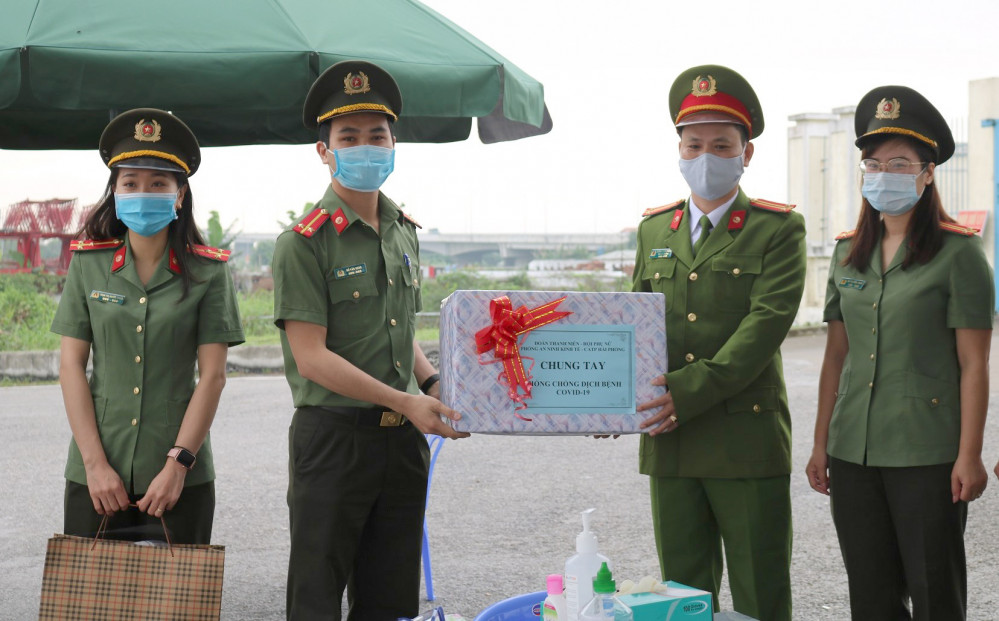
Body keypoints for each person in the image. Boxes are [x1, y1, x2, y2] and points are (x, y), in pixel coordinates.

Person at [271, 60, 468, 621]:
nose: (365, 147)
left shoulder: (404, 230)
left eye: (377, 136)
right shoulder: (303, 243)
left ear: (394, 143)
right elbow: (311, 358)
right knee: (316, 596)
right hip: (334, 439)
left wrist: (434, 382)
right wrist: (407, 400)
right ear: (324, 150)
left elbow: (396, 328)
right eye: (349, 137)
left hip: (401, 442)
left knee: (390, 597)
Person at [805, 86, 993, 620]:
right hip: (853, 449)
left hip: (927, 451)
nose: (882, 174)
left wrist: (970, 454)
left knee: (935, 592)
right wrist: (820, 444)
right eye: (873, 164)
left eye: (899, 164)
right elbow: (835, 358)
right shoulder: (847, 252)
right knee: (871, 595)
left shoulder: (959, 253)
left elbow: (975, 364)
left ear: (927, 173)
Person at [632, 65, 806, 621]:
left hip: (744, 437)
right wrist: (612, 393)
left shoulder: (778, 229)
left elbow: (764, 327)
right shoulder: (653, 230)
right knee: (681, 597)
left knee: (760, 593)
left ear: (746, 153)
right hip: (671, 438)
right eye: (695, 145)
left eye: (722, 145)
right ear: (680, 151)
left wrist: (684, 391)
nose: (706, 156)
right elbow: (634, 325)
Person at [50, 108, 244, 545]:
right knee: (90, 589)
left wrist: (178, 465)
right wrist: (95, 465)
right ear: (115, 192)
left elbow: (213, 377)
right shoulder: (88, 265)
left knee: (181, 588)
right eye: (131, 183)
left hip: (179, 477)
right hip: (96, 473)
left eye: (158, 184)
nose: (143, 193)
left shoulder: (208, 273)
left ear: (179, 195)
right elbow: (70, 367)